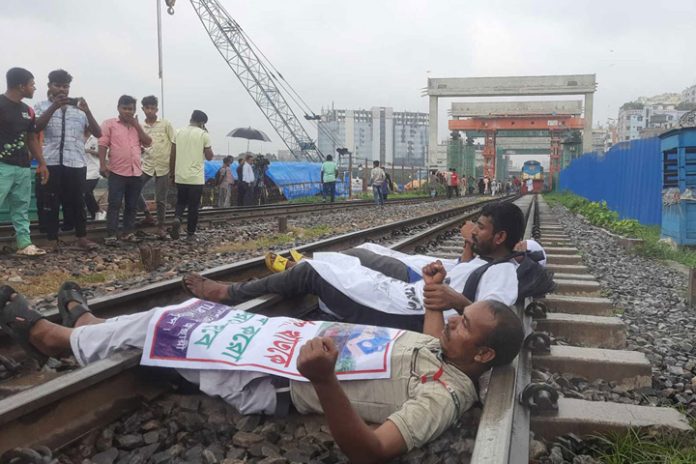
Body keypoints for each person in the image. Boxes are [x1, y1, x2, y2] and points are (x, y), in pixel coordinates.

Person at [0, 284, 523, 463]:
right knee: (191, 314)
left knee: (172, 325)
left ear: (481, 359)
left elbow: (372, 451)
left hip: (270, 381)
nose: (454, 322)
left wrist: (323, 381)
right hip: (280, 348)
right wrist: (437, 295)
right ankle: (91, 327)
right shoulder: (445, 353)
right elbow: (433, 338)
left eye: (465, 326)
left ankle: (61, 338)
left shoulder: (445, 398)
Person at [183, 202, 524, 332]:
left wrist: (450, 296)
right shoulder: (490, 262)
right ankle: (291, 283)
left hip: (402, 311)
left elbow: (494, 318)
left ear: (500, 237)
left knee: (312, 272)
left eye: (481, 228)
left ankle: (228, 292)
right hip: (408, 295)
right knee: (349, 259)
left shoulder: (503, 274)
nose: (474, 231)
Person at [34, 69, 101, 250]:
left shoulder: (79, 109)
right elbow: (36, 127)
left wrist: (88, 111)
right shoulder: (40, 106)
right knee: (50, 201)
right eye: (58, 85)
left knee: (78, 201)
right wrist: (53, 107)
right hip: (51, 161)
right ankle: (51, 240)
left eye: (66, 86)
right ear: (50, 86)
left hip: (76, 162)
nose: (62, 90)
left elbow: (98, 132)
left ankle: (82, 237)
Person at [0, 68, 49, 256]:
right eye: (32, 84)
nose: (34, 88)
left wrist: (42, 163)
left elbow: (31, 139)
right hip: (2, 167)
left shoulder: (28, 111)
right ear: (21, 86)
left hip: (22, 167)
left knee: (21, 207)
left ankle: (24, 243)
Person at [98, 95, 153, 245]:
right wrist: (102, 165)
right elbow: (102, 144)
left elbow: (148, 142)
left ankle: (128, 233)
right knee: (114, 204)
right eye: (125, 108)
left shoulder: (136, 127)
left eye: (131, 109)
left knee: (132, 205)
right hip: (117, 172)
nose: (128, 111)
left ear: (135, 110)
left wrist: (137, 125)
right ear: (118, 108)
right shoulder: (109, 124)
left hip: (135, 172)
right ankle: (111, 235)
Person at [168, 110, 214, 240]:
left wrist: (172, 174)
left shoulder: (178, 132)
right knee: (193, 206)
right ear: (202, 122)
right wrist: (206, 137)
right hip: (195, 178)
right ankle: (190, 234)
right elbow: (210, 157)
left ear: (191, 118)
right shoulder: (203, 134)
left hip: (180, 176)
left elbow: (172, 155)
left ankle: (177, 218)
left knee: (181, 202)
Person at [136, 95, 176, 239]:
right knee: (134, 190)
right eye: (147, 108)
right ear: (143, 109)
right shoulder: (140, 126)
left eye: (153, 108)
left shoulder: (165, 124)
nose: (150, 111)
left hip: (163, 166)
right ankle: (147, 215)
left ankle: (161, 227)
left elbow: (174, 144)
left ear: (157, 109)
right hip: (146, 165)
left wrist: (173, 168)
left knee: (161, 199)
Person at [83, 131, 104, 221]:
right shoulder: (79, 138)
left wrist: (89, 151)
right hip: (82, 169)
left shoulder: (95, 139)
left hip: (93, 170)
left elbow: (102, 154)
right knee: (84, 194)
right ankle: (94, 214)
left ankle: (98, 211)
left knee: (86, 191)